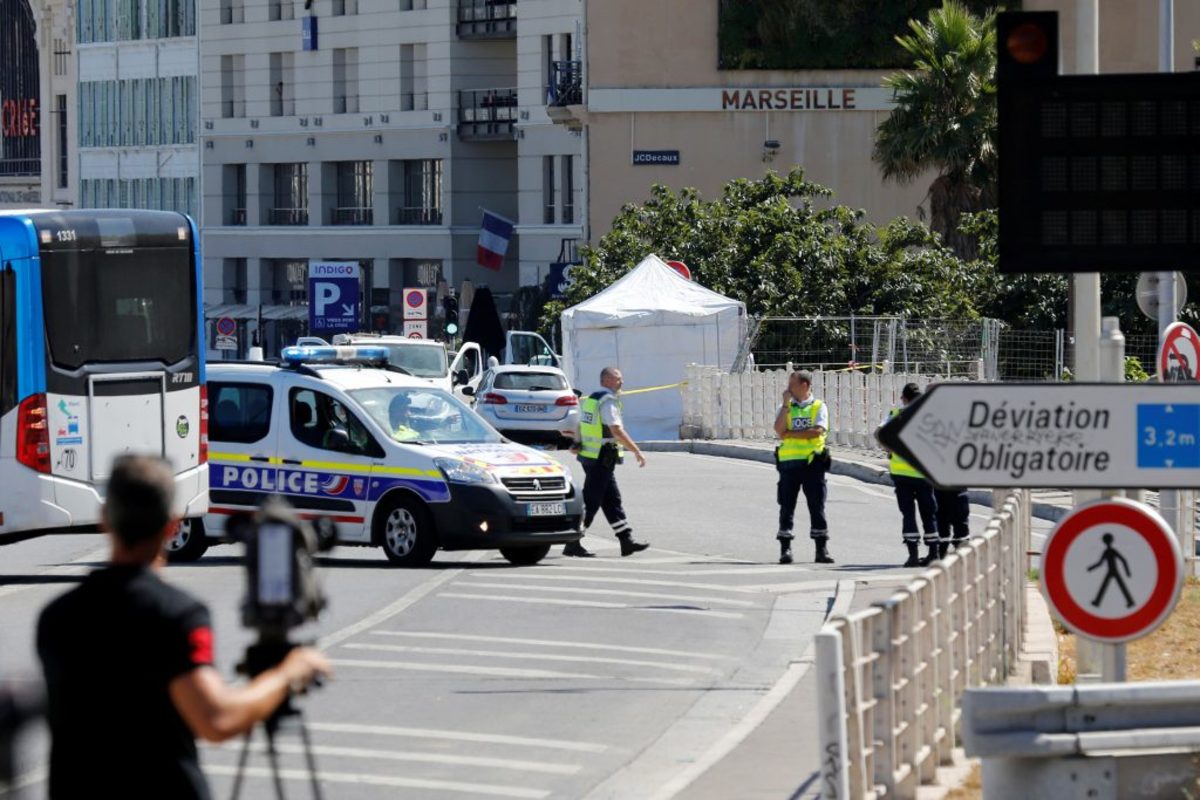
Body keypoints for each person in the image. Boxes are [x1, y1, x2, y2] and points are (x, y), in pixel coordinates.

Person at [37, 455, 331, 799]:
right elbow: (217, 720)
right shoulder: (178, 615)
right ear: (173, 525)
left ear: (105, 520)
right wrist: (287, 673)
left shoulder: (56, 617)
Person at [562, 366, 650, 558]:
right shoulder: (608, 401)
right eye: (618, 378)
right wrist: (636, 451)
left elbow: (580, 424)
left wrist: (577, 442)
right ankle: (572, 541)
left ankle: (626, 540)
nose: (622, 382)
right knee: (591, 501)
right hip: (601, 457)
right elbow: (616, 430)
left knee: (611, 500)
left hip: (592, 457)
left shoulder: (592, 400)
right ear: (606, 381)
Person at [877, 383, 939, 567]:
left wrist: (889, 448)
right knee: (929, 514)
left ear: (903, 398)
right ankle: (933, 554)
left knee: (908, 515)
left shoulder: (895, 416)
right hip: (924, 475)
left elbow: (879, 435)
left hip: (901, 474)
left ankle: (913, 555)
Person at [774, 370, 833, 565]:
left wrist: (791, 433)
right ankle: (785, 549)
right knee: (786, 507)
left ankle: (821, 549)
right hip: (789, 465)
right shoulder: (786, 407)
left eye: (792, 384)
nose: (788, 388)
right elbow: (779, 430)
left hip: (812, 464)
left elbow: (817, 432)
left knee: (817, 507)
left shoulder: (818, 406)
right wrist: (785, 406)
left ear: (804, 386)